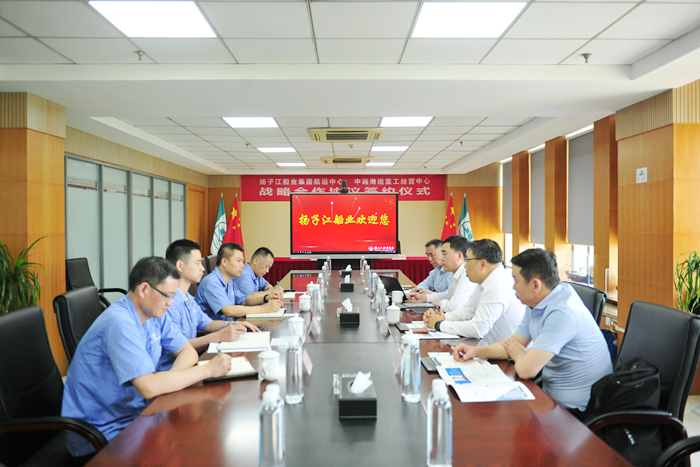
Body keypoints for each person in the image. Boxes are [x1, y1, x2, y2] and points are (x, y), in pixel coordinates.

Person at [62, 257, 233, 458]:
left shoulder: (154, 313)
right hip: (103, 431)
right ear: (144, 289)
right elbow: (148, 387)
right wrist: (207, 370)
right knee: (191, 450)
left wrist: (169, 383)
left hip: (138, 412)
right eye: (168, 295)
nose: (171, 303)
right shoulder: (120, 323)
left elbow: (187, 351)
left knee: (200, 437)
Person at [452, 248, 612, 413]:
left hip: (576, 411)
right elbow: (512, 344)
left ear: (535, 285)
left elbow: (526, 370)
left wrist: (519, 354)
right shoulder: (537, 301)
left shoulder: (563, 313)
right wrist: (475, 351)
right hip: (548, 396)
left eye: (516, 281)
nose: (513, 287)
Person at [158, 239, 260, 371]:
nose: (202, 268)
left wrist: (235, 324)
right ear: (180, 266)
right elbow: (177, 348)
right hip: (173, 370)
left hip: (191, 363)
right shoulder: (169, 303)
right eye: (197, 263)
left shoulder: (189, 299)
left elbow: (209, 324)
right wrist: (218, 336)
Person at [424, 239, 525, 344]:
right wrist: (443, 317)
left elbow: (478, 329)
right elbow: (468, 311)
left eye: (468, 260)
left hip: (507, 352)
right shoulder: (486, 280)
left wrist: (439, 324)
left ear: (482, 264)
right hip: (491, 347)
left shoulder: (498, 283)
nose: (465, 265)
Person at [195, 242, 282, 321]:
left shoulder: (229, 281)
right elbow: (228, 310)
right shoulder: (212, 282)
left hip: (230, 327)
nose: (242, 265)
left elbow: (244, 301)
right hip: (215, 331)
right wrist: (263, 309)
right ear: (224, 262)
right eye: (238, 261)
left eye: (242, 261)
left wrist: (266, 297)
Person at [407, 235, 475, 312]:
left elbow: (454, 307)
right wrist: (424, 298)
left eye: (444, 254)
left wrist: (441, 303)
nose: (442, 258)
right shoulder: (457, 274)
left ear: (459, 255)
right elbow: (446, 295)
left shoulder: (467, 274)